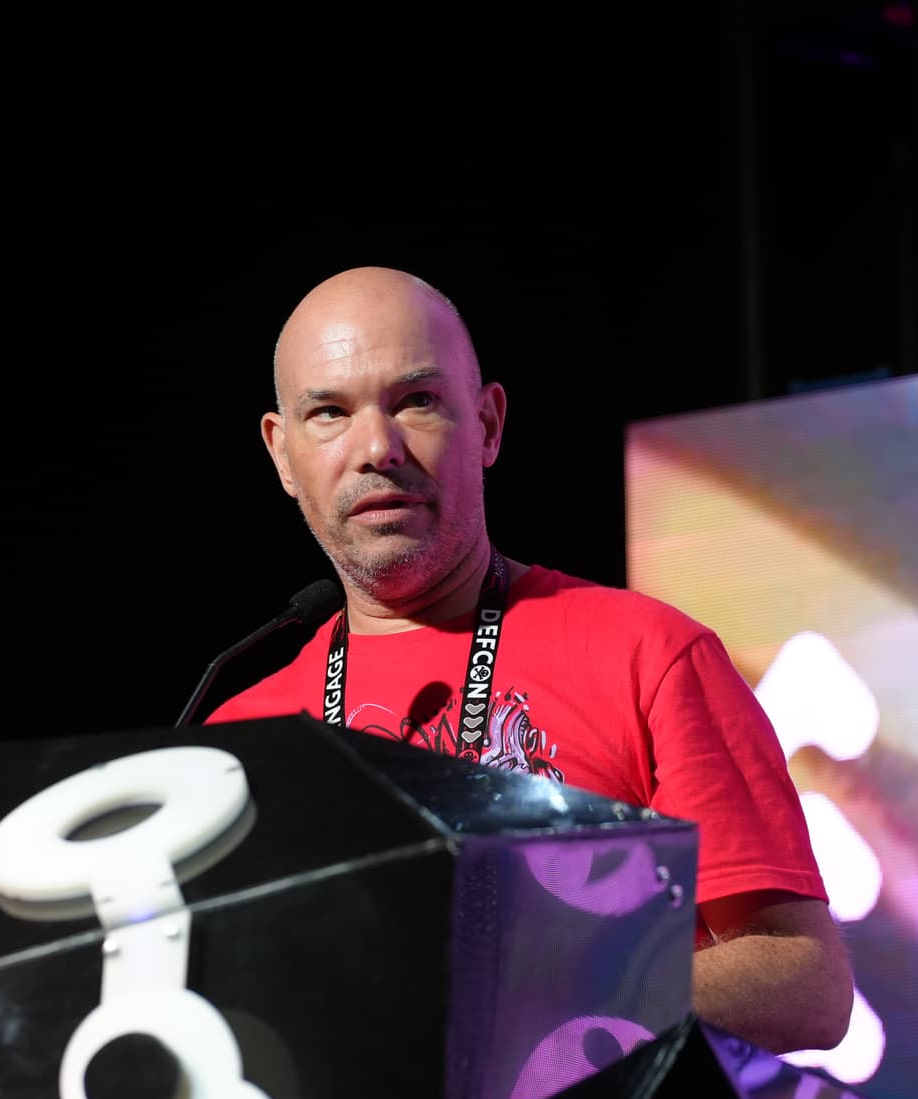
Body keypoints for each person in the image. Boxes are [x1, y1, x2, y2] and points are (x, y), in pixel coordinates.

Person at [204, 265, 852, 1055]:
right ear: (281, 452)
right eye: (329, 413)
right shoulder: (240, 738)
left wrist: (542, 995)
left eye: (417, 400)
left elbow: (806, 983)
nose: (378, 447)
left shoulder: (646, 655)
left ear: (487, 424)